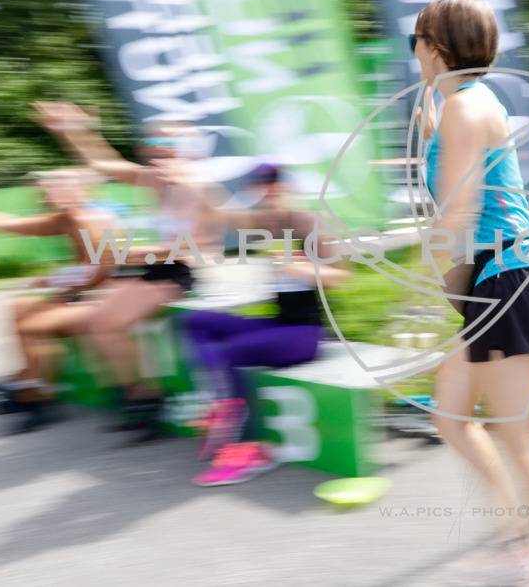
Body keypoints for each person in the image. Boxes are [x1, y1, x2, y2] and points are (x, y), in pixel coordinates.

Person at [411, 0, 529, 587]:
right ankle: (520, 535)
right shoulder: (463, 105)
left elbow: (456, 215)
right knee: (451, 413)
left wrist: (426, 291)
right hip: (498, 280)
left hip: (503, 283)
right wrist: (429, 123)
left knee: (520, 436)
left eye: (414, 40)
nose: (411, 51)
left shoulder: (465, 109)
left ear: (434, 48)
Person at [31, 102, 222, 440]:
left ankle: (145, 397)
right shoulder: (157, 180)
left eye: (167, 143)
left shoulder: (197, 184)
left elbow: (194, 248)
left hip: (179, 272)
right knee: (92, 323)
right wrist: (72, 129)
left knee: (105, 324)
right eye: (152, 143)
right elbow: (103, 164)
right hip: (155, 267)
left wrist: (130, 253)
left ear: (186, 148)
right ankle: (133, 392)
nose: (155, 150)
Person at [181, 163, 348, 486]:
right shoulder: (263, 222)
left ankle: (250, 447)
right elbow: (219, 212)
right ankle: (223, 406)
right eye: (261, 185)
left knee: (228, 353)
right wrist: (194, 180)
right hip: (279, 324)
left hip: (307, 334)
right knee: (195, 320)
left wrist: (300, 268)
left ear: (286, 187)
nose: (269, 190)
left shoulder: (307, 222)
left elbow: (340, 278)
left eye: (275, 183)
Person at [0, 169, 119, 433]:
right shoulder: (68, 216)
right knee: (18, 308)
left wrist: (62, 286)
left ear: (81, 190)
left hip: (106, 297)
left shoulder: (85, 217)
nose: (46, 191)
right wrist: (56, 279)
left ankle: (34, 396)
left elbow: (104, 266)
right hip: (89, 292)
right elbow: (19, 226)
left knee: (29, 324)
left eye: (57, 186)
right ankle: (29, 385)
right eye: (48, 186)